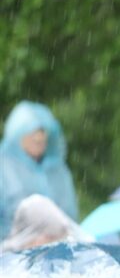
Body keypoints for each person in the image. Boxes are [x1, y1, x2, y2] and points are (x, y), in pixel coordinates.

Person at [0, 102, 78, 238]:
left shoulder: (58, 170)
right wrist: (22, 240)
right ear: (17, 133)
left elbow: (71, 217)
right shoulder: (4, 168)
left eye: (42, 131)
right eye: (32, 131)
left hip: (59, 245)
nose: (39, 137)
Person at [1, 194, 86, 251]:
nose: (57, 244)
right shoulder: (7, 265)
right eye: (51, 238)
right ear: (31, 236)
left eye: (61, 239)